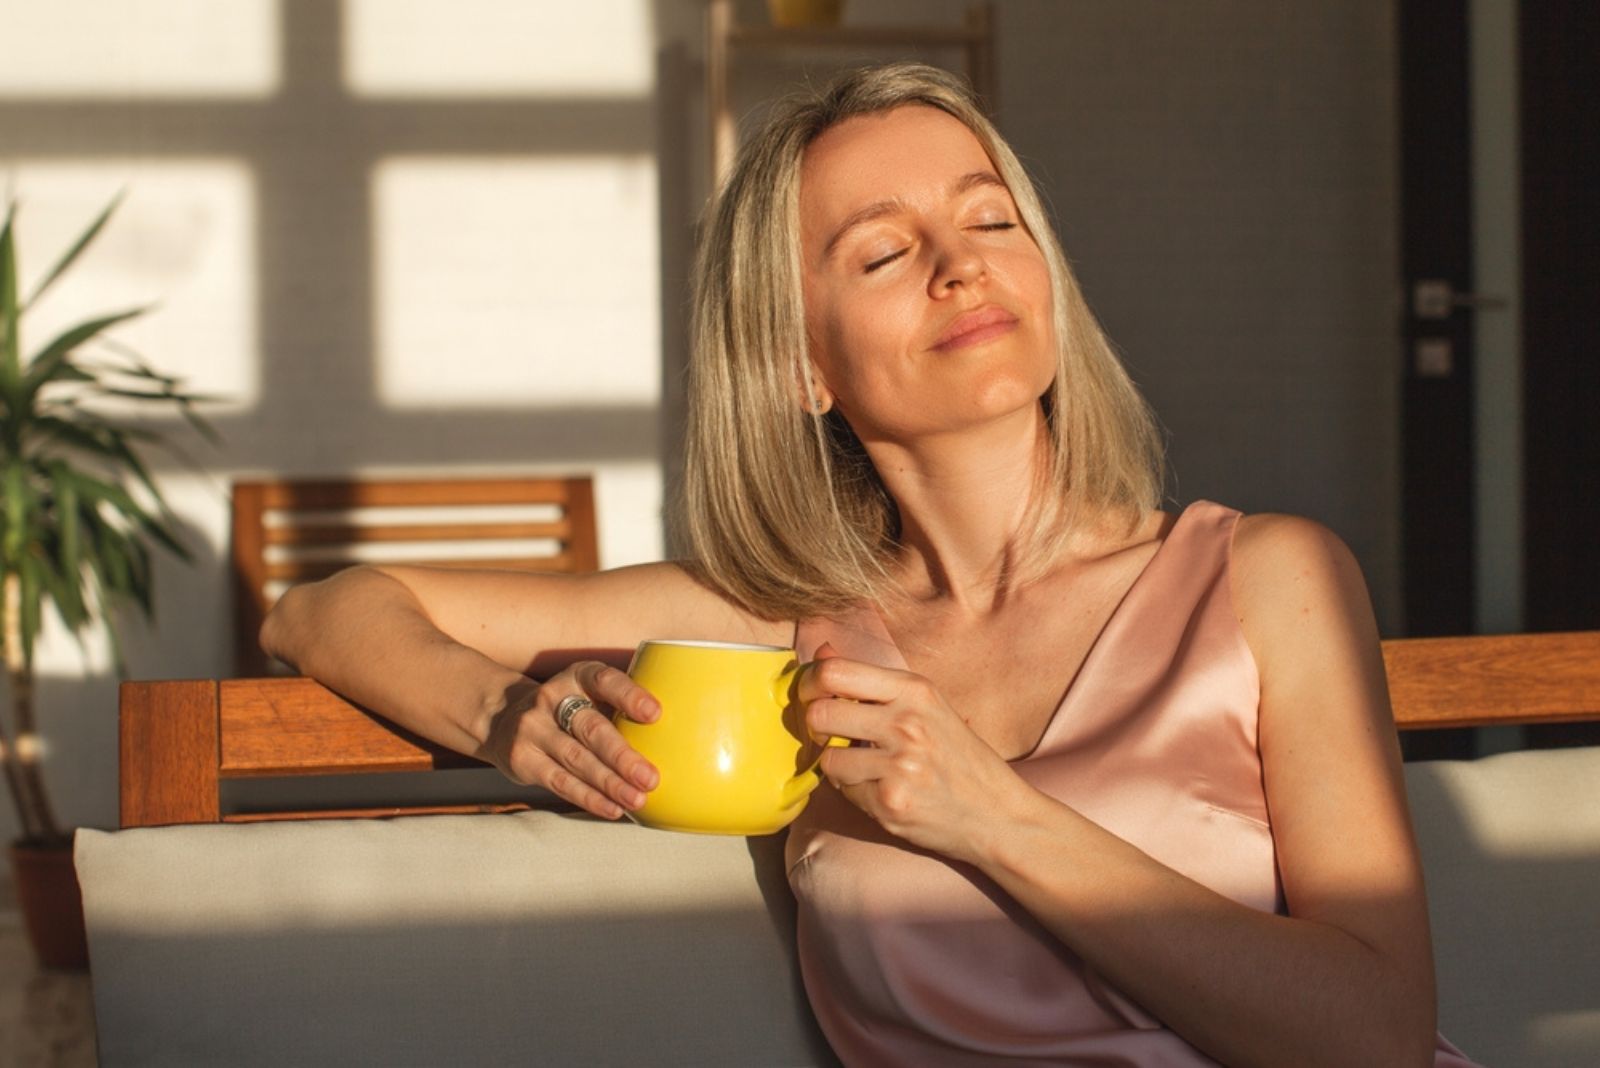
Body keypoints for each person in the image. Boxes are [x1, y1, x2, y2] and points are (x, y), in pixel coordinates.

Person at [264, 63, 1480, 1067]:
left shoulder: (1270, 578)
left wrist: (988, 813)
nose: (961, 264)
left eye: (989, 219)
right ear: (802, 368)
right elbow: (322, 610)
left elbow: (1375, 1035)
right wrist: (504, 715)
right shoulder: (779, 630)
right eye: (883, 254)